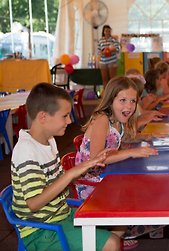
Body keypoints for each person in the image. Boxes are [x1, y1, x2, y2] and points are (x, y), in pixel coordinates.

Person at [11, 83, 123, 250]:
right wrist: (70, 174)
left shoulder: (48, 140)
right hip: (41, 231)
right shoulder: (27, 151)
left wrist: (84, 167)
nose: (70, 121)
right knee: (111, 243)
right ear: (43, 117)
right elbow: (34, 204)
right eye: (64, 116)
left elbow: (56, 183)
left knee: (119, 224)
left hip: (61, 216)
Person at [75, 76, 158, 200]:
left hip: (107, 174)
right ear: (110, 100)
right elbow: (95, 158)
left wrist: (146, 137)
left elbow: (122, 139)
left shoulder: (118, 120)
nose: (129, 106)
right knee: (140, 190)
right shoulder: (101, 119)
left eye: (133, 101)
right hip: (92, 183)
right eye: (123, 100)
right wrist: (131, 152)